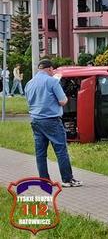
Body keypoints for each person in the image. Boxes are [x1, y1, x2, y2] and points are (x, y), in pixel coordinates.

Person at [25, 59, 82, 187]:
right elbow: (63, 101)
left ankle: (44, 181)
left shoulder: (29, 83)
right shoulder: (52, 81)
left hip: (35, 121)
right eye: (53, 70)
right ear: (50, 69)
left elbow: (29, 102)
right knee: (61, 150)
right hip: (51, 120)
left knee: (40, 153)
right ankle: (67, 179)